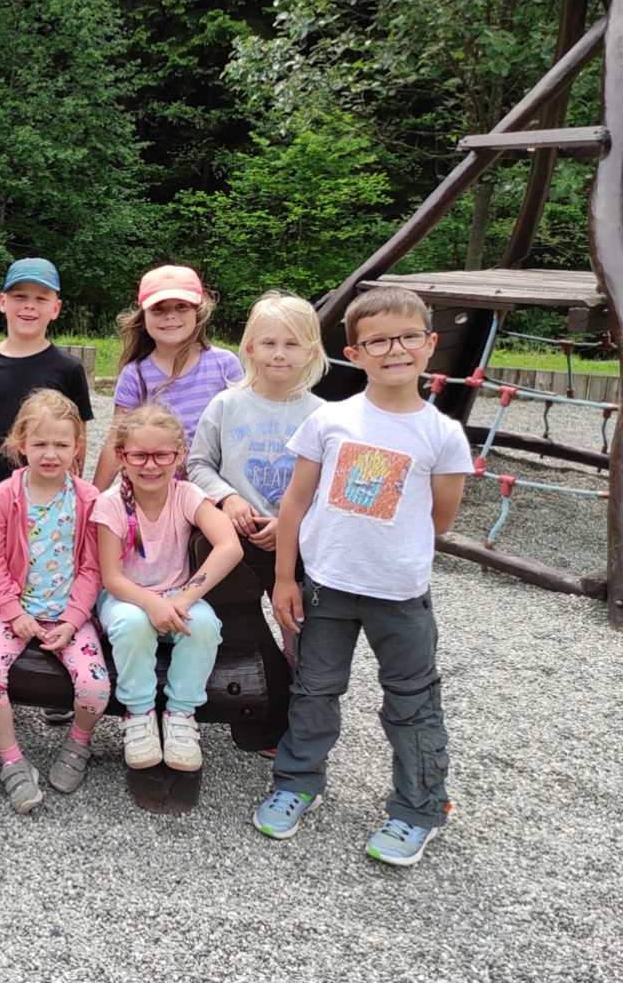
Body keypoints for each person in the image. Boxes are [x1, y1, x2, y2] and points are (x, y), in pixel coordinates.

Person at [254, 287, 471, 867]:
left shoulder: (442, 436)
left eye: (407, 337)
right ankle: (298, 782)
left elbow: (440, 518)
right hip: (326, 585)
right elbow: (296, 502)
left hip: (399, 594)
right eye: (378, 341)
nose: (394, 350)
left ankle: (418, 807)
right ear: (354, 353)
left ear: (430, 344)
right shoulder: (330, 420)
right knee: (315, 690)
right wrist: (284, 578)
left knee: (412, 700)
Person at [188, 291, 328, 750]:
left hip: (297, 544)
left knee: (301, 636)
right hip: (238, 542)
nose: (279, 354)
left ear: (312, 351)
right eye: (269, 343)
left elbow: (329, 488)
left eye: (292, 344)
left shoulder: (323, 415)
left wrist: (293, 527)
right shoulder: (226, 405)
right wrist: (226, 498)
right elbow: (198, 464)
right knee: (243, 636)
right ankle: (259, 722)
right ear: (249, 348)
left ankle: (300, 724)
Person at [0, 391, 109, 813]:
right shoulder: (5, 495)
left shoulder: (88, 499)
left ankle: (79, 742)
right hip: (11, 612)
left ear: (78, 446)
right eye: (40, 443)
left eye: (61, 444)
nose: (51, 454)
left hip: (68, 616)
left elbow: (92, 568)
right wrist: (13, 612)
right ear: (21, 444)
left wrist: (73, 619)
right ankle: (11, 759)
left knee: (95, 688)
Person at [93, 403, 242, 773]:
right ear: (121, 456)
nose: (151, 465)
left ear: (180, 455)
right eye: (139, 455)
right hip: (126, 597)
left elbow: (230, 546)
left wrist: (183, 598)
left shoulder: (187, 495)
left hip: (177, 595)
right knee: (133, 623)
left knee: (203, 624)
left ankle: (181, 713)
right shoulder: (110, 504)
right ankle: (138, 712)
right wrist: (152, 604)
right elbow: (112, 577)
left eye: (162, 455)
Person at [92, 264, 242, 489]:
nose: (170, 316)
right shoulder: (135, 375)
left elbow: (240, 436)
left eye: (182, 306)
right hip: (156, 490)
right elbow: (117, 439)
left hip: (215, 489)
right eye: (158, 309)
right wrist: (94, 498)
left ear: (198, 312)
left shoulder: (225, 365)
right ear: (144, 317)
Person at [0, 258, 93, 488]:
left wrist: (74, 486)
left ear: (56, 308)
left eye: (41, 299)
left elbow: (78, 434)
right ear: (2, 302)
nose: (30, 305)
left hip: (53, 488)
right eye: (20, 296)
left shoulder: (69, 369)